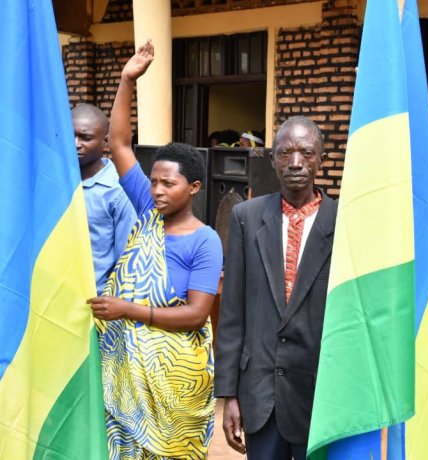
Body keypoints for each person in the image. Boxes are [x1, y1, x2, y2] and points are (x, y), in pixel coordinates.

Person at [87, 40, 223, 460]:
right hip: (128, 376)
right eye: (154, 181)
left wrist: (128, 310)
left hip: (176, 385)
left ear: (193, 187)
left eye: (169, 183)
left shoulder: (205, 240)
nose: (158, 190)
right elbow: (119, 144)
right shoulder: (148, 212)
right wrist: (127, 79)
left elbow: (196, 314)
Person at [215, 115, 337, 460]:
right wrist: (229, 394)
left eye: (306, 153)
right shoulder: (247, 217)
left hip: (320, 396)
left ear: (321, 159)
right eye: (285, 153)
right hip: (260, 395)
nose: (295, 163)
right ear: (273, 159)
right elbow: (232, 312)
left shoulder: (343, 222)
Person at [73, 103, 136, 295]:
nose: (75, 144)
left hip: (94, 302)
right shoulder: (52, 181)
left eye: (85, 138)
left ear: (106, 142)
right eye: (70, 135)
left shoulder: (118, 191)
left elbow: (126, 259)